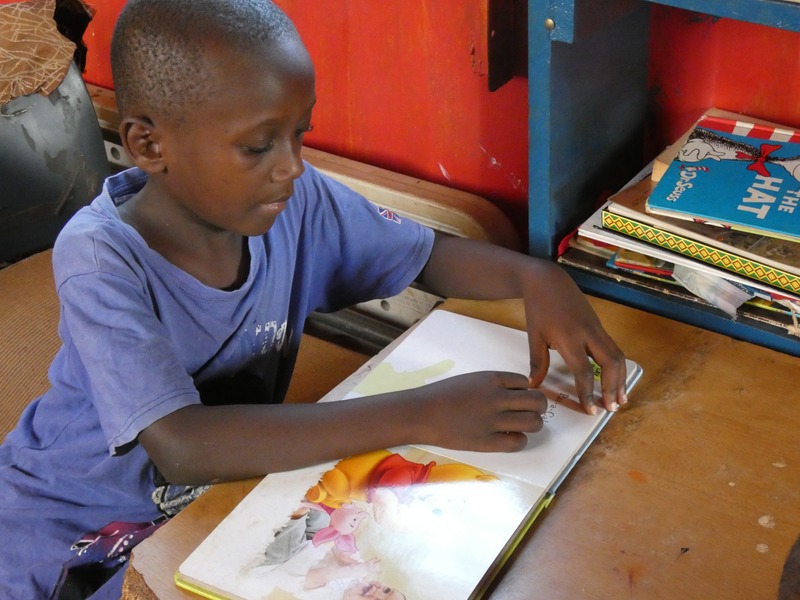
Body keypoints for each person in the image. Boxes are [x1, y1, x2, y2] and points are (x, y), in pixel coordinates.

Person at [0, 0, 628, 598]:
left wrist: (539, 279)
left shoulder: (294, 204)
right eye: (258, 146)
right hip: (62, 522)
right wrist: (421, 412)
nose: (292, 166)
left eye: (299, 134)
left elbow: (429, 256)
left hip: (209, 509)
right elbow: (182, 445)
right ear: (148, 146)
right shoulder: (100, 256)